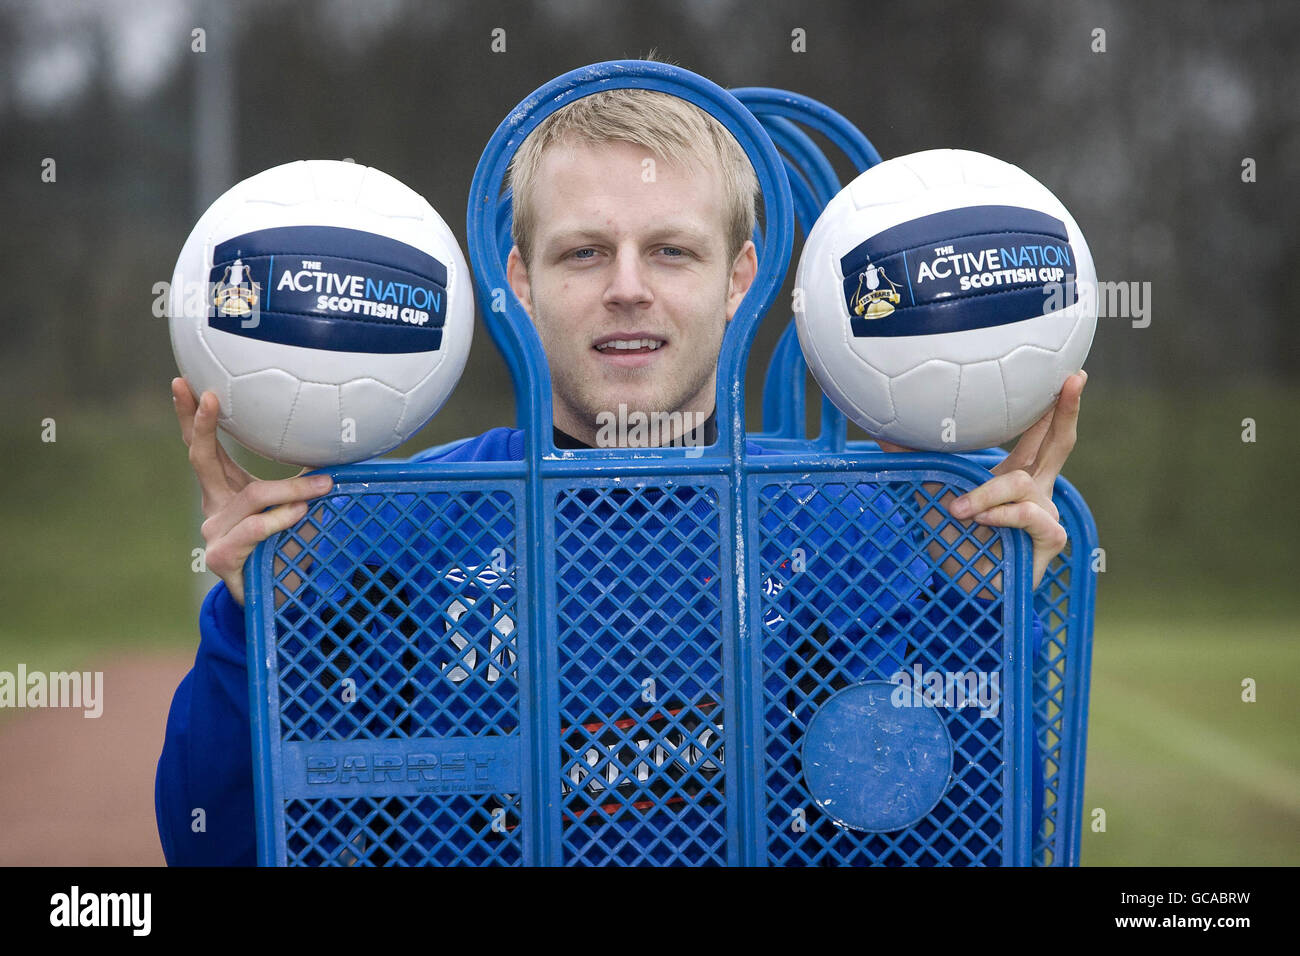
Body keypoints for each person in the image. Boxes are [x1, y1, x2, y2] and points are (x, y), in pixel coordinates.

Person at [156, 85, 1086, 865]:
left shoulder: (853, 527)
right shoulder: (393, 529)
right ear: (519, 280)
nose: (628, 287)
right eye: (585, 252)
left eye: (672, 251)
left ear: (741, 279)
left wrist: (978, 612)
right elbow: (224, 850)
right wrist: (254, 619)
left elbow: (965, 845)